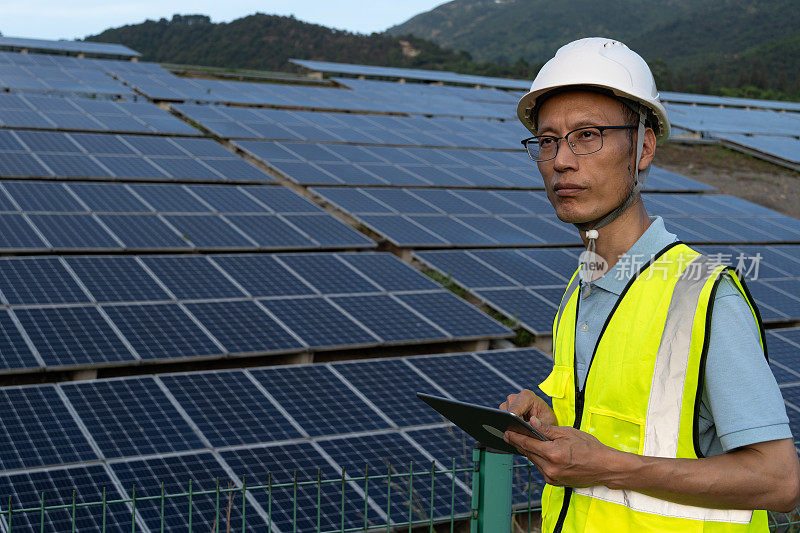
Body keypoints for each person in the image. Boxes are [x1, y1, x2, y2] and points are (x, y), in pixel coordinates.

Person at [499, 37, 800, 532]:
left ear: (644, 148)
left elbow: (780, 480)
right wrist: (549, 416)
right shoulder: (582, 285)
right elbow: (617, 417)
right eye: (547, 140)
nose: (561, 161)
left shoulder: (703, 293)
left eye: (588, 135)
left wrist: (608, 467)